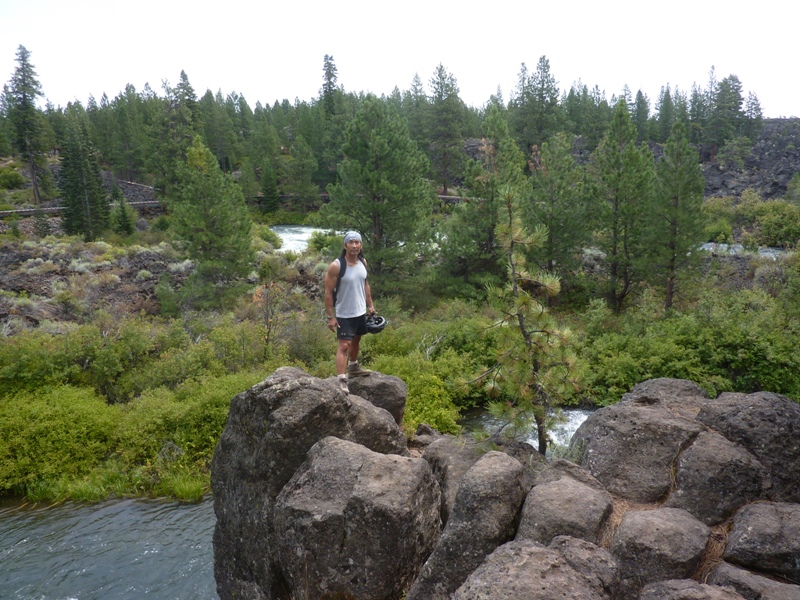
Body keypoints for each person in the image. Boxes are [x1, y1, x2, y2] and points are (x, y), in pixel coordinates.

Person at [324, 231, 376, 390]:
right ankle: (341, 380)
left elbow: (365, 284)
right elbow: (327, 292)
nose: (354, 245)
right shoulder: (337, 266)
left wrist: (370, 305)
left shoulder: (363, 262)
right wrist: (330, 317)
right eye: (351, 242)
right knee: (344, 346)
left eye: (357, 242)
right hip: (344, 313)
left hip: (359, 311)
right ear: (345, 245)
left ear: (361, 245)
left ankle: (353, 368)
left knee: (356, 341)